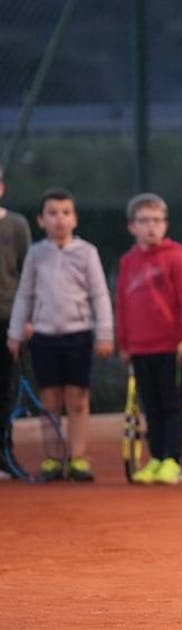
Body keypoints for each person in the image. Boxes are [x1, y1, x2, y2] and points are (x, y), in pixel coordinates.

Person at [6, 187, 113, 481]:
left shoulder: (87, 252)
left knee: (77, 399)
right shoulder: (36, 254)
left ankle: (78, 458)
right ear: (41, 220)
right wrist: (16, 333)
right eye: (52, 214)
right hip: (43, 337)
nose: (59, 220)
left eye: (66, 213)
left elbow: (100, 295)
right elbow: (25, 295)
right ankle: (53, 459)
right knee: (50, 400)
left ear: (75, 219)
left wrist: (105, 334)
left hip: (78, 335)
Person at [115, 193, 182, 485]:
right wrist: (124, 343)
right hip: (139, 348)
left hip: (170, 347)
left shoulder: (177, 257)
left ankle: (173, 461)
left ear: (166, 224)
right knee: (151, 406)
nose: (152, 227)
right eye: (145, 221)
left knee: (171, 406)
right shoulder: (127, 262)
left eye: (157, 221)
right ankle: (157, 458)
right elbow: (122, 304)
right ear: (131, 227)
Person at [0, 167, 32, 479]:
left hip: (8, 320)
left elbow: (27, 273)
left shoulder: (17, 225)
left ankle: (4, 454)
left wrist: (26, 319)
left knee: (6, 389)